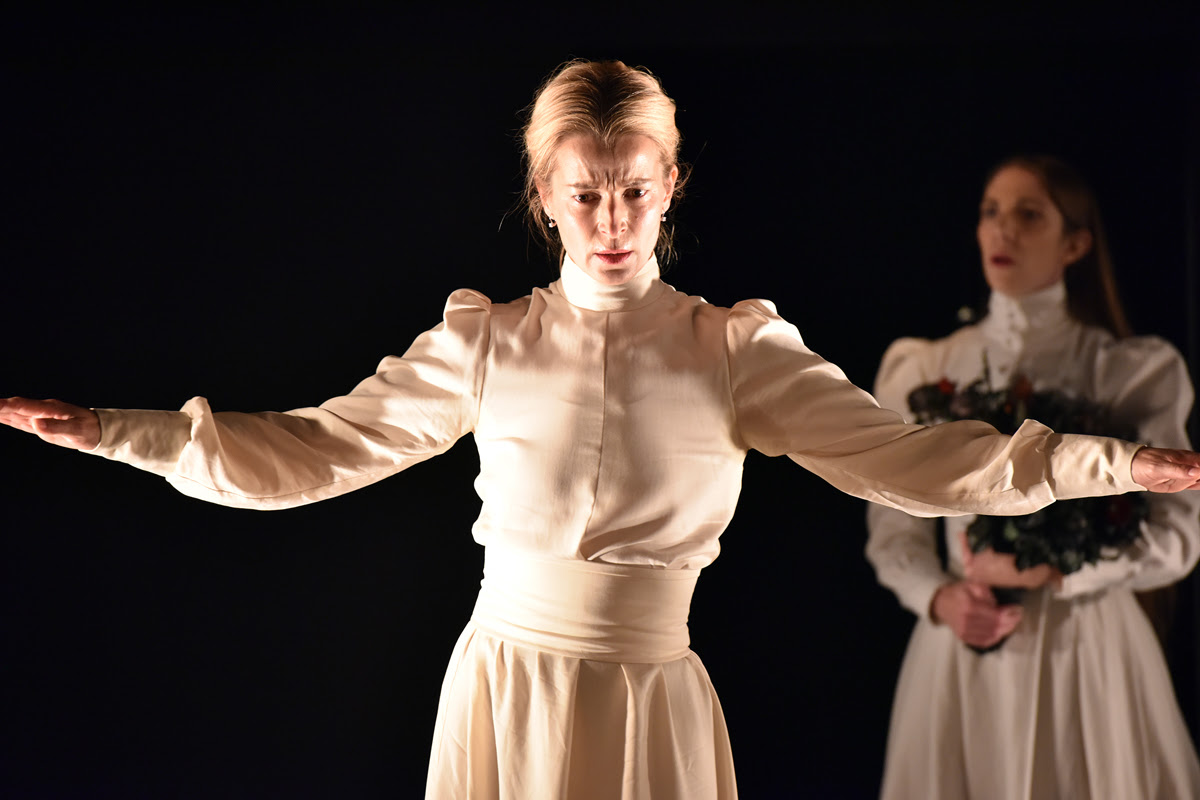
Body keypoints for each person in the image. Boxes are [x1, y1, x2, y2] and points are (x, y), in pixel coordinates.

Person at [3, 65, 1199, 800]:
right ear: (546, 197)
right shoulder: (487, 340)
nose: (613, 218)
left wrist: (1108, 463)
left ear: (671, 185)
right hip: (502, 688)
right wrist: (121, 432)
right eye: (586, 192)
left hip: (652, 700)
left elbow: (908, 457)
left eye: (635, 188)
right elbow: (316, 450)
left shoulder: (734, 347)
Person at [866, 154, 1200, 799]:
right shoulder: (924, 369)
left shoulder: (1128, 371)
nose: (1003, 230)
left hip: (1088, 649)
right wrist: (940, 598)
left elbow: (1177, 539)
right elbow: (892, 529)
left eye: (1028, 215)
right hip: (963, 645)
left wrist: (1057, 572)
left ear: (1074, 244)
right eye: (990, 212)